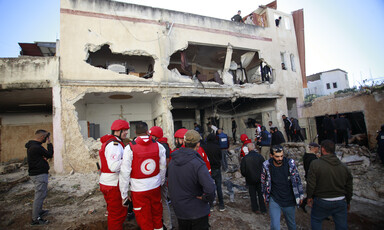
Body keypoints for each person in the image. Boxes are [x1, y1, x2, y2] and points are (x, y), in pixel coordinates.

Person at [119, 122, 167, 230]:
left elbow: (125, 172)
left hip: (138, 189)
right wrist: (161, 182)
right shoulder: (159, 146)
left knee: (144, 218)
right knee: (157, 215)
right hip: (155, 187)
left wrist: (124, 194)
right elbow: (163, 167)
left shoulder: (129, 148)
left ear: (135, 132)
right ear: (147, 131)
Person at [168, 130, 216, 230]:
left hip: (180, 211)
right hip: (197, 212)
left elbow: (170, 184)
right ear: (198, 145)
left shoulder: (173, 160)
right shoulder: (198, 163)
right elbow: (210, 188)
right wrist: (205, 198)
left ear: (184, 143)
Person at [307, 140, 353, 230]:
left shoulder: (316, 164)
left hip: (322, 200)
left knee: (316, 220)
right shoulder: (344, 167)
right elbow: (349, 187)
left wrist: (309, 197)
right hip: (340, 201)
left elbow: (311, 183)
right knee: (342, 225)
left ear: (323, 149)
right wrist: (348, 201)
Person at [261, 145, 304, 230]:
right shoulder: (267, 165)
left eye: (281, 156)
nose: (280, 159)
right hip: (275, 199)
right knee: (275, 226)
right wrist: (264, 196)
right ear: (271, 155)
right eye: (277, 157)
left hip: (289, 199)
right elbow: (263, 181)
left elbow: (297, 180)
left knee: (291, 224)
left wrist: (301, 194)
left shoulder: (290, 164)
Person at [99, 120, 130, 230]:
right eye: (125, 130)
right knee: (117, 215)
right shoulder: (114, 144)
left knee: (113, 213)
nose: (126, 132)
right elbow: (114, 166)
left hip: (106, 182)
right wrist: (128, 161)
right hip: (113, 184)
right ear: (118, 130)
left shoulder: (109, 142)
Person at [26, 129, 54, 225]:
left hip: (37, 174)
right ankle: (35, 219)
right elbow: (50, 154)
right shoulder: (37, 147)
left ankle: (39, 211)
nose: (47, 139)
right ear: (42, 137)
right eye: (46, 138)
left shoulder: (32, 145)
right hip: (39, 175)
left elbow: (38, 157)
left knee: (41, 194)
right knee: (39, 195)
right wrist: (49, 143)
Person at [149, 126, 174, 230]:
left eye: (151, 135)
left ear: (156, 136)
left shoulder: (163, 146)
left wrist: (162, 179)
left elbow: (166, 163)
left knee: (163, 201)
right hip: (156, 178)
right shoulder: (159, 144)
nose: (149, 137)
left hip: (161, 178)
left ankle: (168, 225)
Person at [240, 143, 266, 214]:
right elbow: (264, 167)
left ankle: (255, 208)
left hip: (250, 179)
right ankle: (263, 209)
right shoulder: (260, 156)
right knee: (261, 194)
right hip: (259, 178)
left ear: (248, 149)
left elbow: (243, 170)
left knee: (253, 195)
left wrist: (246, 175)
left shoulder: (245, 158)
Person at [202, 133, 225, 211]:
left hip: (208, 169)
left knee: (209, 188)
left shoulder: (204, 147)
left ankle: (211, 205)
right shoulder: (217, 147)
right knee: (219, 187)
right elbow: (220, 158)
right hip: (217, 169)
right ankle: (221, 205)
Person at [300, 142, 320, 213]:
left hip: (308, 177)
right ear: (315, 148)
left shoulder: (307, 156)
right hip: (312, 178)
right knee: (315, 194)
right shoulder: (312, 158)